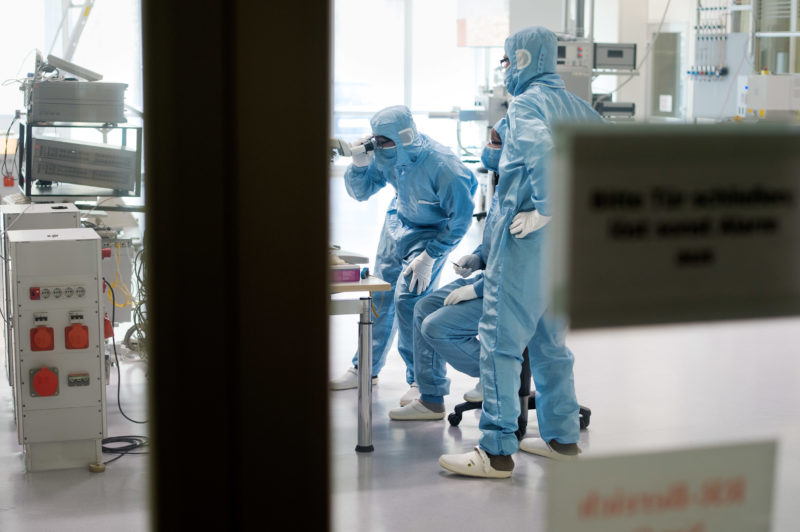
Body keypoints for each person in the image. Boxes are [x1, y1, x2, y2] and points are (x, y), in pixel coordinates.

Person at [437, 26, 605, 478]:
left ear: (525, 60)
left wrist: (546, 211)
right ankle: (562, 438)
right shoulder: (577, 107)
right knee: (550, 343)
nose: (505, 70)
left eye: (508, 61)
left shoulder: (528, 104)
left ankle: (495, 451)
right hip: (566, 249)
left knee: (500, 344)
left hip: (528, 245)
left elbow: (541, 162)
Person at [330, 105, 478, 407]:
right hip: (398, 223)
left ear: (405, 137)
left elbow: (460, 220)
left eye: (383, 140)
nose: (378, 146)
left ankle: (423, 383)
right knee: (378, 296)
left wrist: (430, 256)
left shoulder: (445, 167)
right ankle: (365, 368)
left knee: (410, 302)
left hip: (431, 235)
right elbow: (360, 193)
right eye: (375, 139)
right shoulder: (387, 153)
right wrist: (359, 165)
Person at [387, 119, 507, 420]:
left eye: (496, 143)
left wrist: (476, 289)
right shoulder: (505, 182)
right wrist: (477, 258)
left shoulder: (530, 193)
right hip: (491, 276)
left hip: (512, 288)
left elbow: (525, 261)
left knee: (437, 327)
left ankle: (499, 377)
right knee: (421, 306)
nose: (488, 149)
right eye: (489, 141)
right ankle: (431, 398)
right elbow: (496, 238)